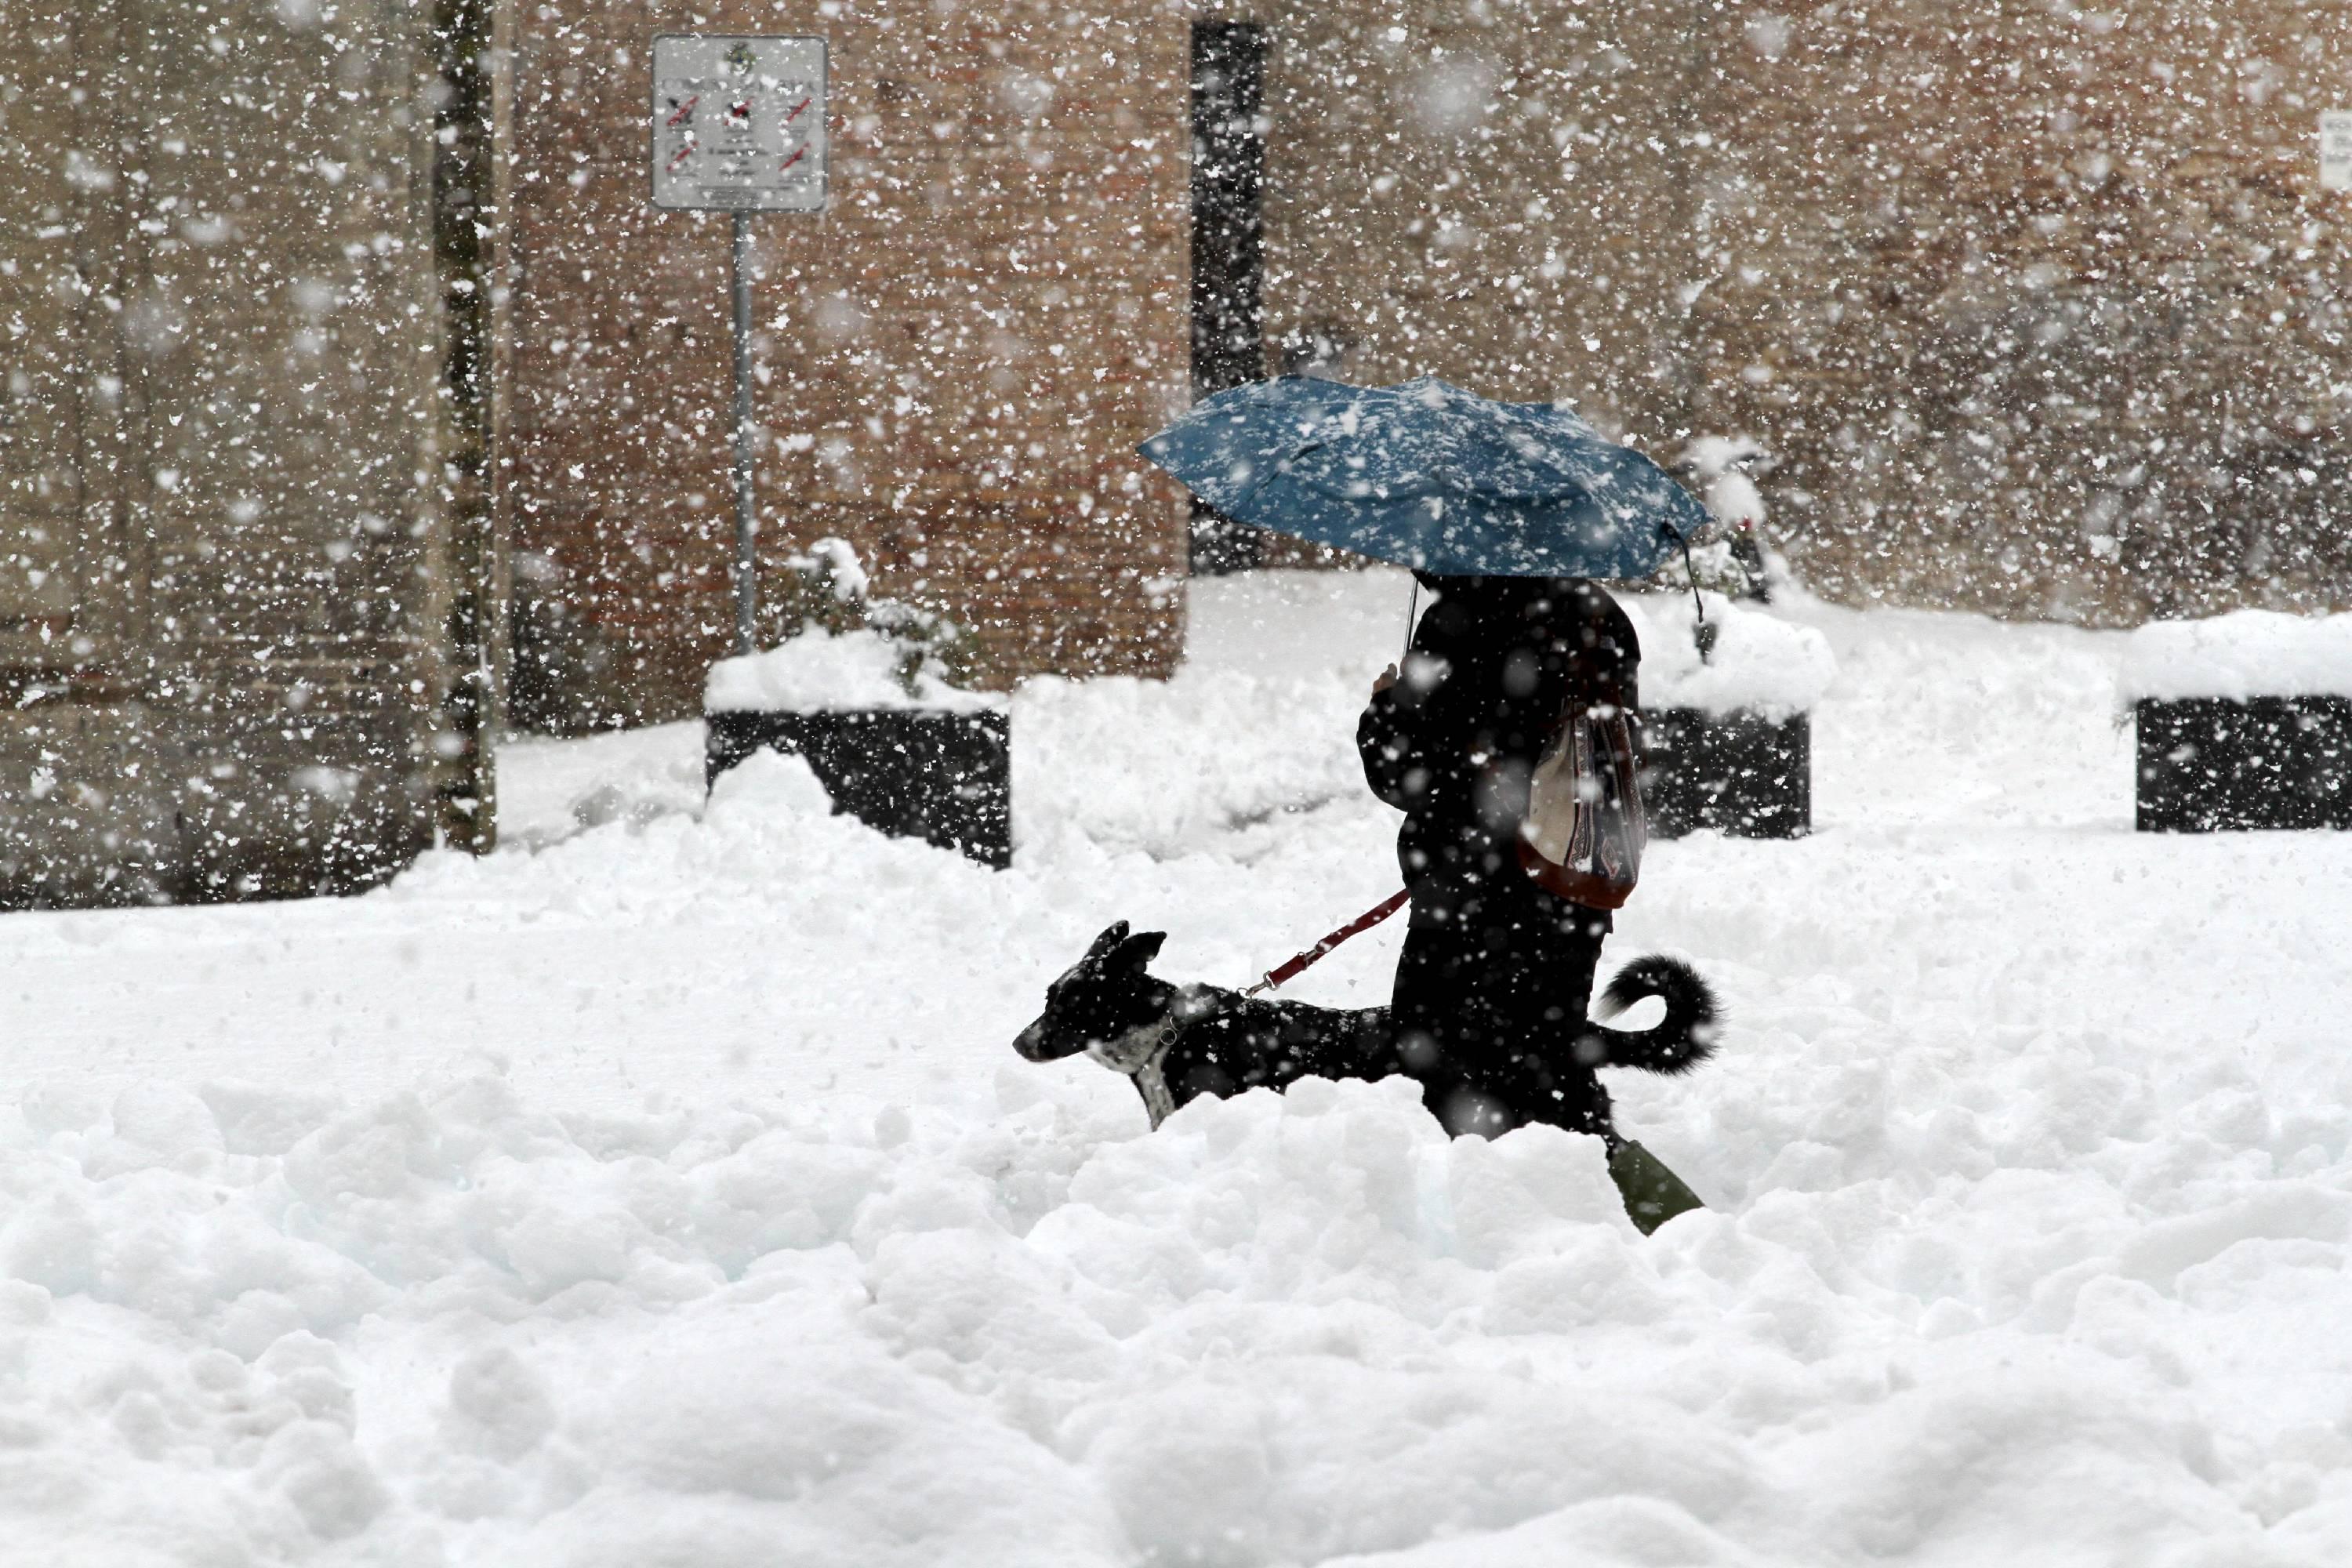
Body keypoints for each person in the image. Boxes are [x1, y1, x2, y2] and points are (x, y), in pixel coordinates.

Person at [1357, 571, 1642, 1138]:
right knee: (1547, 1070)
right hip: (1567, 878)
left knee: (1438, 1083)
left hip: (1465, 898)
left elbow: (1409, 778)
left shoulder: (1456, 623)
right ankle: (1577, 1194)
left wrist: (1384, 711)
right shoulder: (1601, 617)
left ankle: (1465, 1208)